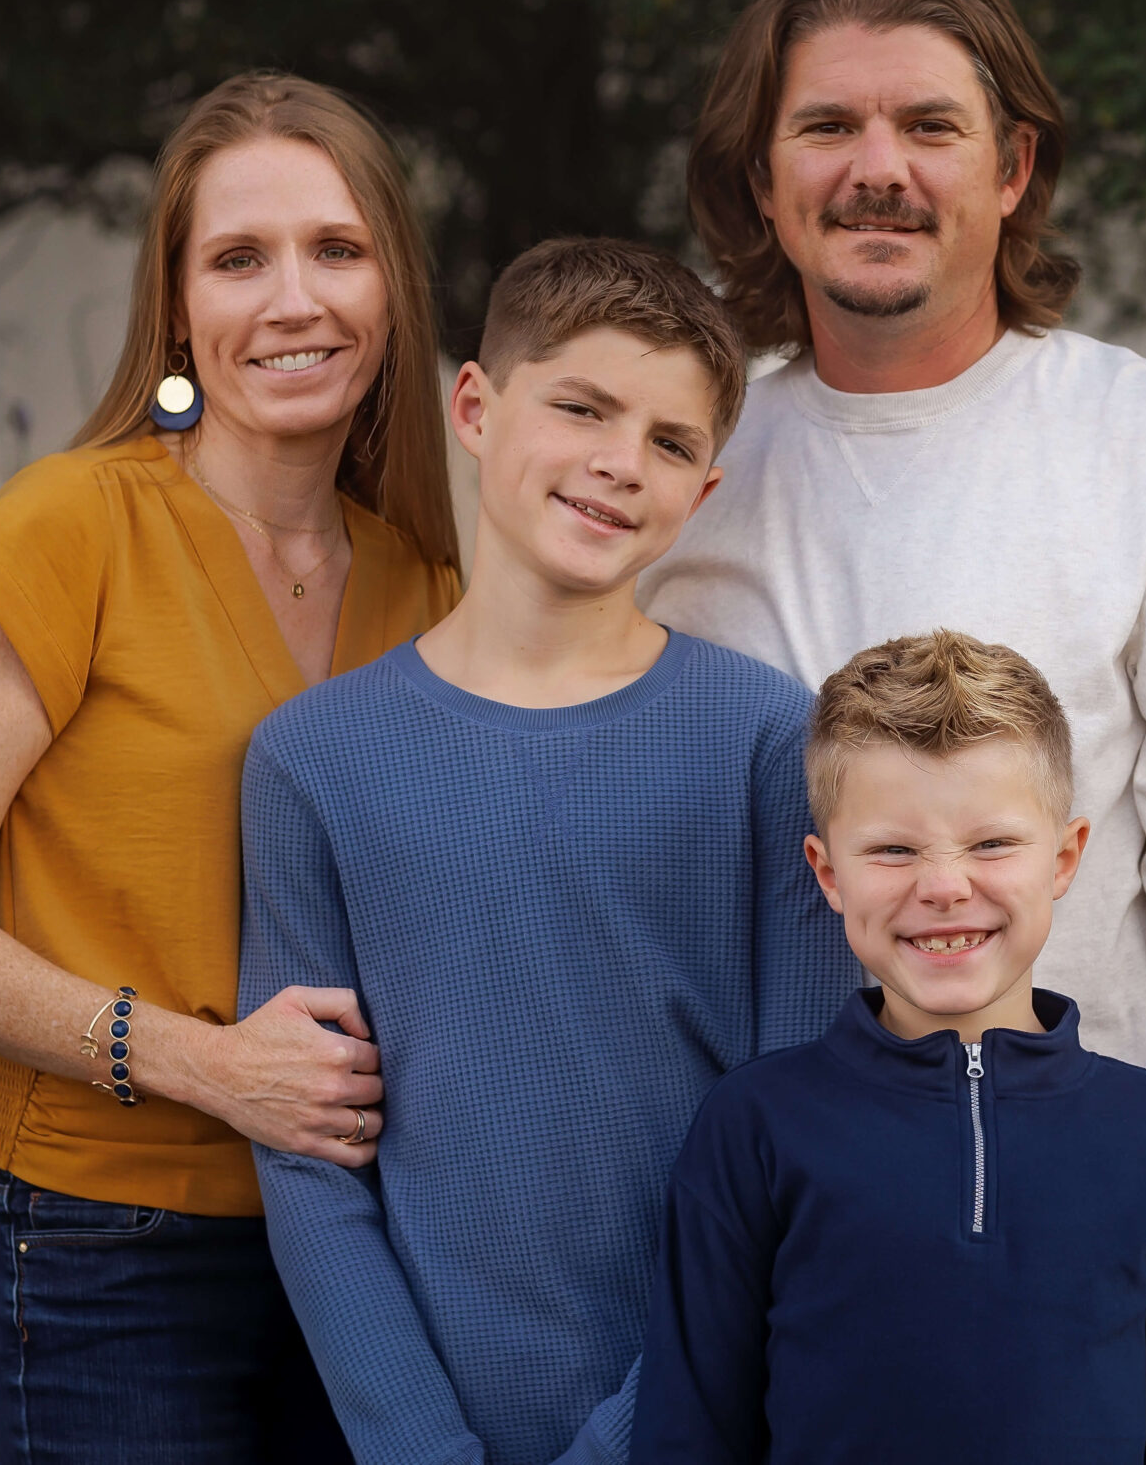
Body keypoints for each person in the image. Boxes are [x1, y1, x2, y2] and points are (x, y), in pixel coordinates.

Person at [640, 0, 1146, 1460]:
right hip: (763, 1277)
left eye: (930, 125)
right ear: (763, 177)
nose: (878, 169)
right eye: (826, 127)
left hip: (1079, 1287)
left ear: (1014, 165)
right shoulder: (678, 467)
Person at [0, 71, 463, 1464]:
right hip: (107, 1244)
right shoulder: (72, 527)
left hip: (366, 1246)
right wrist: (205, 1065)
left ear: (394, 290)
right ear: (176, 308)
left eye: (336, 249)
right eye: (239, 259)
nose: (293, 299)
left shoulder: (428, 584)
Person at [238, 236, 862, 1465]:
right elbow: (308, 1159)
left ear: (703, 493)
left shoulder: (769, 741)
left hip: (702, 1424)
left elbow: (799, 1141)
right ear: (476, 408)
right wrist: (419, 1449)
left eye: (670, 443)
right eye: (581, 407)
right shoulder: (311, 760)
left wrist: (642, 1435)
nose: (620, 462)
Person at [631, 630, 1146, 1465]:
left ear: (1065, 856)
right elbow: (688, 1437)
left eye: (991, 843)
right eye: (893, 849)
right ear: (828, 872)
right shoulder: (754, 1129)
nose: (944, 885)